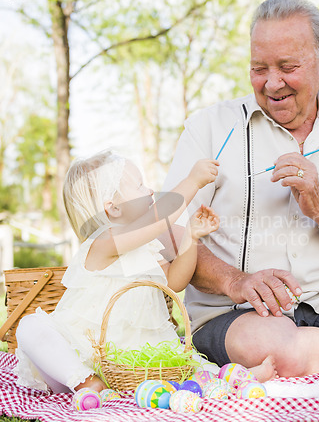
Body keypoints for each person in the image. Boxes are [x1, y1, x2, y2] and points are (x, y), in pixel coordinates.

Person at [163, 0, 319, 377]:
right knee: (281, 353)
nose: (271, 83)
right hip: (234, 312)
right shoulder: (210, 127)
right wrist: (237, 281)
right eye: (258, 68)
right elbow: (170, 231)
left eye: (287, 66)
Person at [14, 150, 277, 395]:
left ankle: (233, 380)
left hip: (139, 356)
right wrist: (192, 181)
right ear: (113, 208)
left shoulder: (147, 246)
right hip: (83, 353)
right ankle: (86, 382)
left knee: (194, 371)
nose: (149, 190)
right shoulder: (103, 243)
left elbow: (174, 282)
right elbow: (159, 219)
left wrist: (191, 239)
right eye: (139, 186)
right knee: (30, 327)